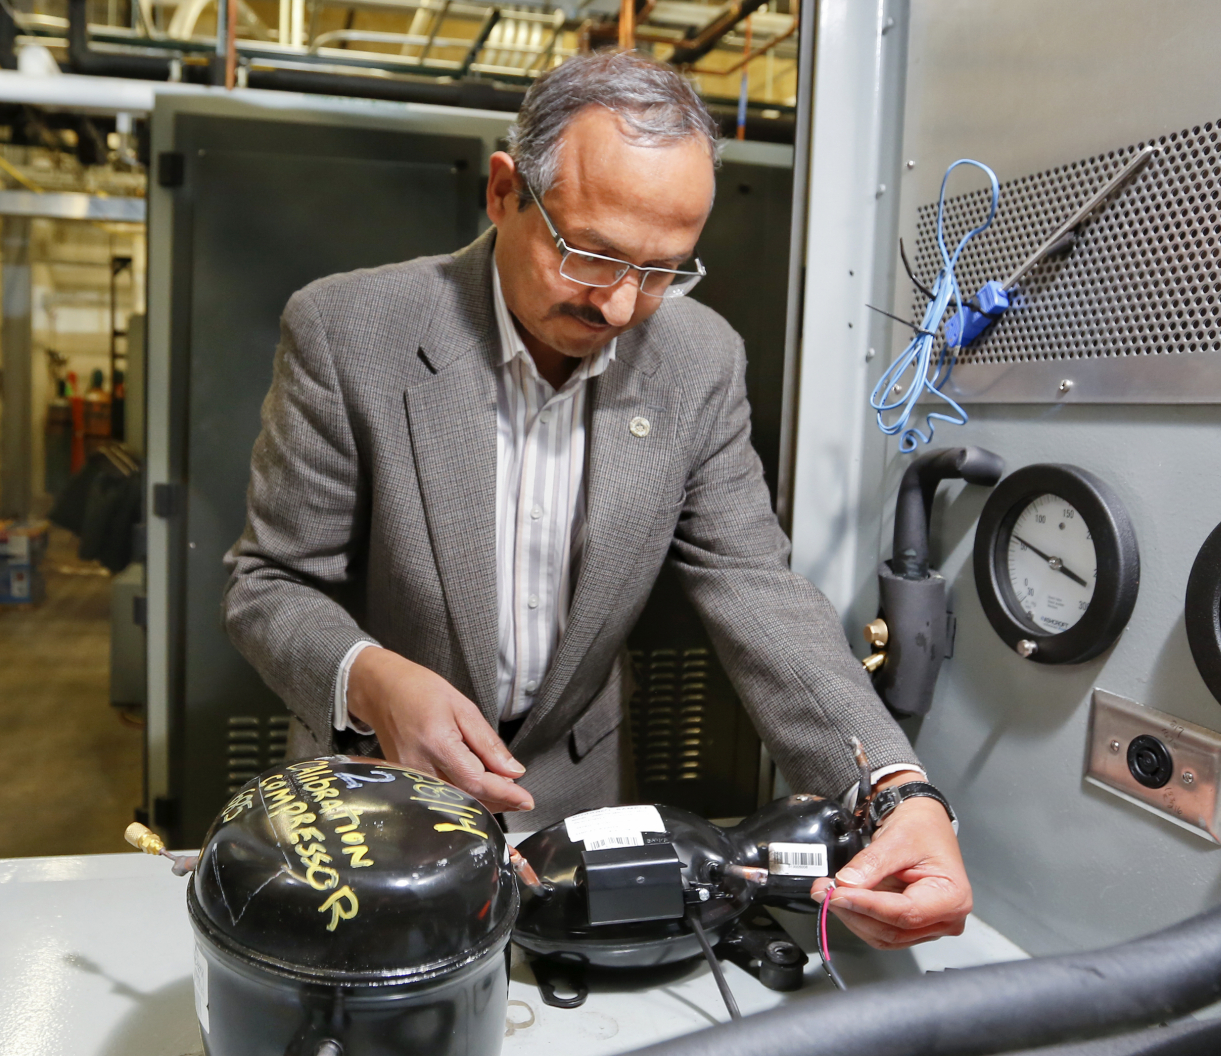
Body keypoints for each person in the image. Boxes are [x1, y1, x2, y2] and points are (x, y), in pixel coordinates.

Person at [224, 50, 971, 950]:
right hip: (372, 798)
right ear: (503, 192)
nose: (620, 307)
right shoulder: (351, 331)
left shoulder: (700, 360)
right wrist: (373, 680)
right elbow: (270, 583)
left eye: (662, 270)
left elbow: (753, 586)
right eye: (591, 255)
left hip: (568, 807)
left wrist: (895, 789)